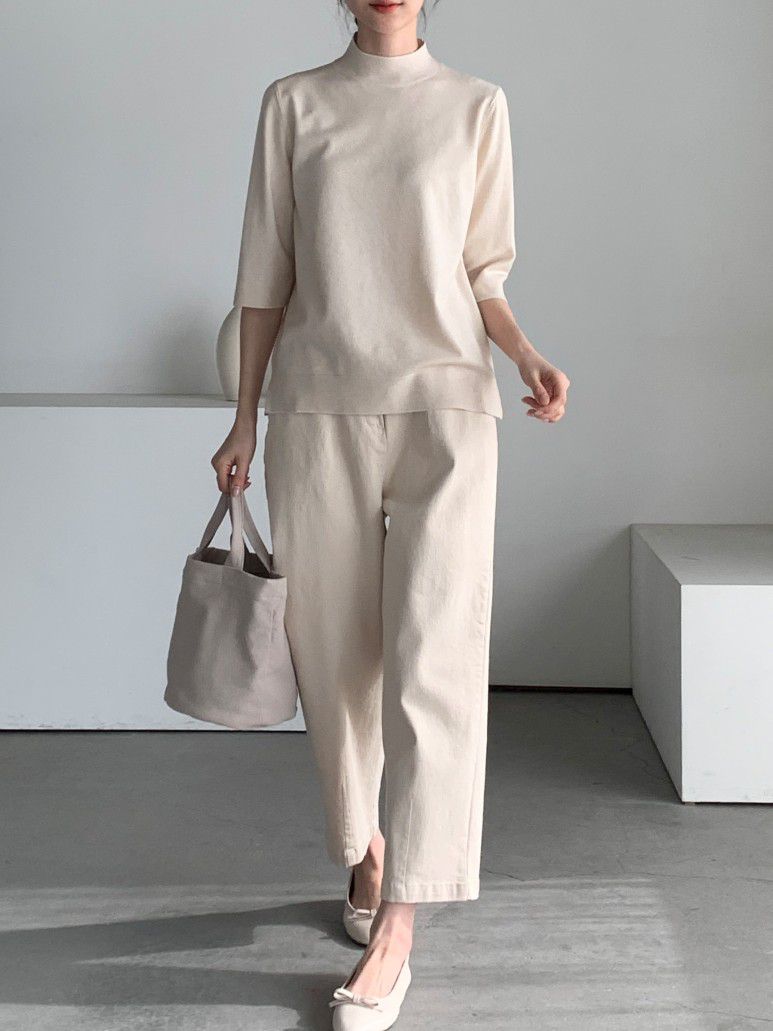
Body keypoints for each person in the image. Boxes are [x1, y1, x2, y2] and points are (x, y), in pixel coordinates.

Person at [212, 1, 570, 1026]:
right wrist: (242, 420)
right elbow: (264, 275)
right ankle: (365, 845)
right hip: (317, 407)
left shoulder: (474, 106)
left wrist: (523, 353)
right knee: (333, 661)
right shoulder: (294, 105)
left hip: (446, 409)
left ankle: (401, 920)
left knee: (434, 658)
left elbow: (482, 271)